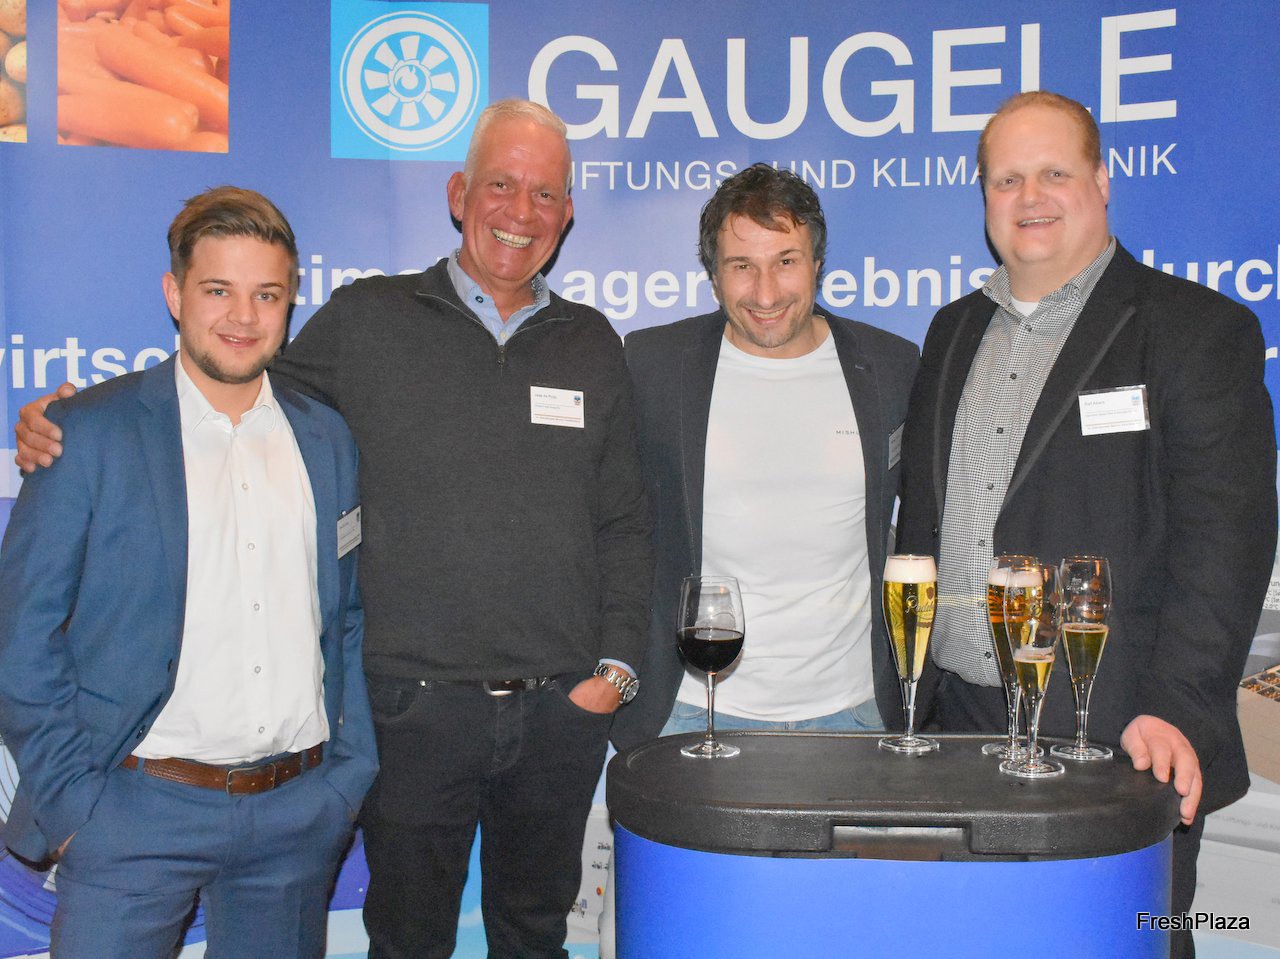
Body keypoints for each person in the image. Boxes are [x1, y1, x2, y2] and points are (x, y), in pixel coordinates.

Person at [14, 98, 651, 959]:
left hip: (555, 717)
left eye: (545, 194)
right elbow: (229, 376)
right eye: (501, 185)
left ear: (568, 213)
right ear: (459, 194)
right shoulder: (366, 319)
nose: (521, 212)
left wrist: (614, 670)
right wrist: (67, 418)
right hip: (412, 717)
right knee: (406, 943)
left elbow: (624, 518)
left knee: (536, 939)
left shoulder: (593, 342)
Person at [896, 91, 1276, 957]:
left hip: (1115, 730)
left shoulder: (1195, 330)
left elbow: (1227, 544)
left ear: (1103, 181)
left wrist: (1177, 708)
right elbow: (920, 519)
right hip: (956, 725)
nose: (1029, 197)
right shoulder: (952, 330)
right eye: (1007, 180)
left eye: (1054, 173)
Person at [0, 186, 377, 958]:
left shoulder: (326, 438)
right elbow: (21, 634)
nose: (243, 316)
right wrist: (75, 806)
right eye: (218, 290)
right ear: (175, 295)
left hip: (297, 815)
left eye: (266, 294)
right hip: (131, 814)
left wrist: (347, 775)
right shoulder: (87, 433)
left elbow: (343, 616)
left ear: (291, 302)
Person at [612, 163, 919, 749]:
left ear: (817, 263)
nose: (766, 293)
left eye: (786, 261)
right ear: (713, 275)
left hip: (857, 715)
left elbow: (928, 521)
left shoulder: (892, 367)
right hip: (692, 712)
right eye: (741, 266)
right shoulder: (652, 366)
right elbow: (614, 528)